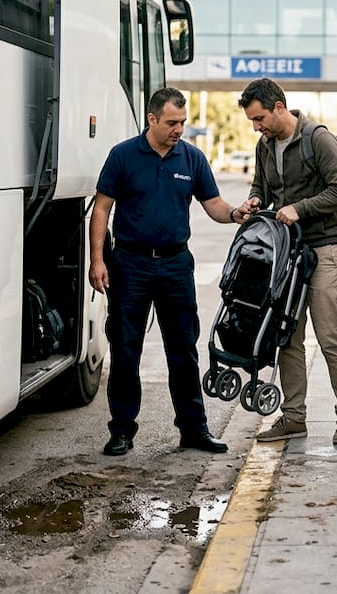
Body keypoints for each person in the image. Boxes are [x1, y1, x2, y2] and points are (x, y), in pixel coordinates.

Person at [89, 87, 236, 456]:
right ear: (152, 119)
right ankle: (122, 430)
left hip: (175, 264)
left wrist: (235, 214)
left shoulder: (192, 158)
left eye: (183, 122)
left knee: (183, 350)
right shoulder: (123, 156)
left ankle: (194, 430)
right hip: (130, 264)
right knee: (125, 350)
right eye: (172, 122)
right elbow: (102, 209)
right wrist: (97, 259)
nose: (179, 129)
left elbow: (214, 204)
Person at [234, 78, 337, 445]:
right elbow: (262, 185)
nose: (256, 127)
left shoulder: (316, 138)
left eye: (259, 118)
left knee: (330, 335)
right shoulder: (264, 145)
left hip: (323, 249)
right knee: (288, 336)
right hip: (286, 252)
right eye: (252, 122)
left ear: (278, 107)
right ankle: (293, 417)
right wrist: (255, 201)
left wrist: (298, 209)